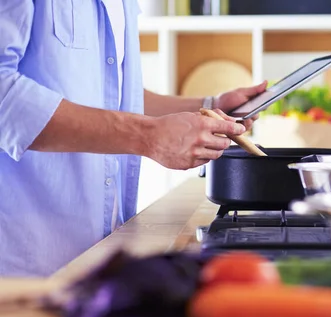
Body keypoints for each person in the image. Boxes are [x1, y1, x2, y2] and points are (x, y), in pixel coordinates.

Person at [0, 0, 267, 277]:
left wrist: (208, 106)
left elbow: (110, 93)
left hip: (96, 255)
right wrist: (147, 136)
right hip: (22, 265)